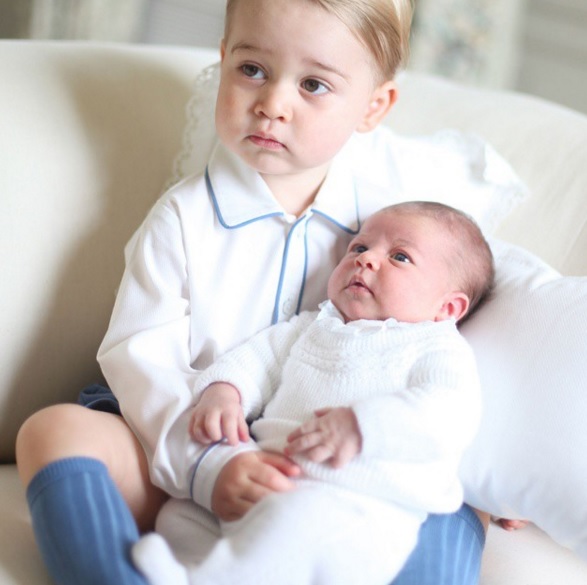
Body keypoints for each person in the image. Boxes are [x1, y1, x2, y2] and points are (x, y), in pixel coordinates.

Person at [15, 1, 488, 584]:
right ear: (223, 62)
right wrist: (211, 468)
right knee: (54, 431)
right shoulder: (184, 218)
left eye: (313, 84)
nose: (272, 104)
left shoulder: (391, 224)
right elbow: (141, 359)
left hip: (330, 469)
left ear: (373, 107)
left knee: (453, 506)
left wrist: (501, 467)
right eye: (253, 70)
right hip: (182, 447)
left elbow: (459, 321)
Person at [131, 201, 494, 585]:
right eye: (359, 247)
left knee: (295, 523)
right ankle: (191, 570)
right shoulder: (313, 325)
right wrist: (224, 392)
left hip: (354, 510)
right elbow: (257, 358)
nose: (366, 259)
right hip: (265, 480)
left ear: (448, 307)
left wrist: (362, 426)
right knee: (183, 513)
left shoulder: (435, 347)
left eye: (400, 256)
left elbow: (449, 414)